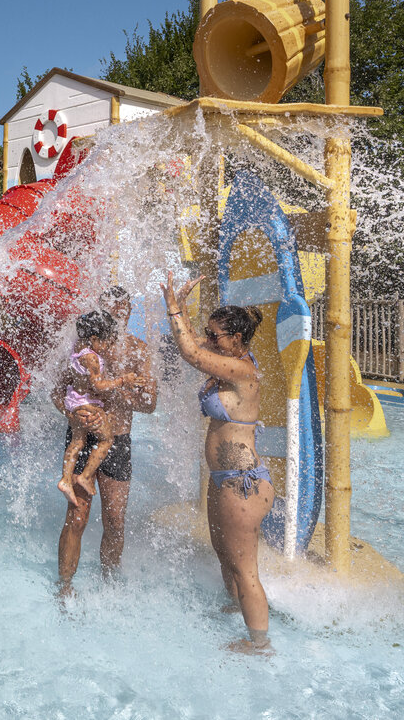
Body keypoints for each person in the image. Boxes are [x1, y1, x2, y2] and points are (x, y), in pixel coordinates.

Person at [160, 271, 275, 654]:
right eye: (209, 333)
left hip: (243, 484)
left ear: (237, 339)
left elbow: (191, 353)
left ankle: (260, 644)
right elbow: (194, 343)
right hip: (223, 478)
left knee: (245, 568)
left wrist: (174, 309)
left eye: (216, 335)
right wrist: (183, 310)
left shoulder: (243, 370)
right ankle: (237, 608)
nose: (209, 340)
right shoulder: (227, 359)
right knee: (224, 552)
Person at [52, 287, 156, 593]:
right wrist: (72, 414)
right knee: (77, 517)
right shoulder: (81, 350)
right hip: (83, 437)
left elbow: (150, 403)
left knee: (114, 521)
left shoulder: (138, 350)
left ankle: (109, 585)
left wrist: (115, 392)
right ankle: (65, 587)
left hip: (117, 439)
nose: (116, 318)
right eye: (110, 312)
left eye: (121, 312)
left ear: (129, 312)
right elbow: (57, 392)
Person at [56, 311, 125, 510]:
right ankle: (85, 476)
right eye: (107, 342)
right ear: (94, 339)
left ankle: (66, 480)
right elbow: (98, 386)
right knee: (107, 439)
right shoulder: (92, 358)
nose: (109, 347)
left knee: (77, 441)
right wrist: (122, 381)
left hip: (74, 403)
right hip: (87, 405)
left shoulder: (77, 348)